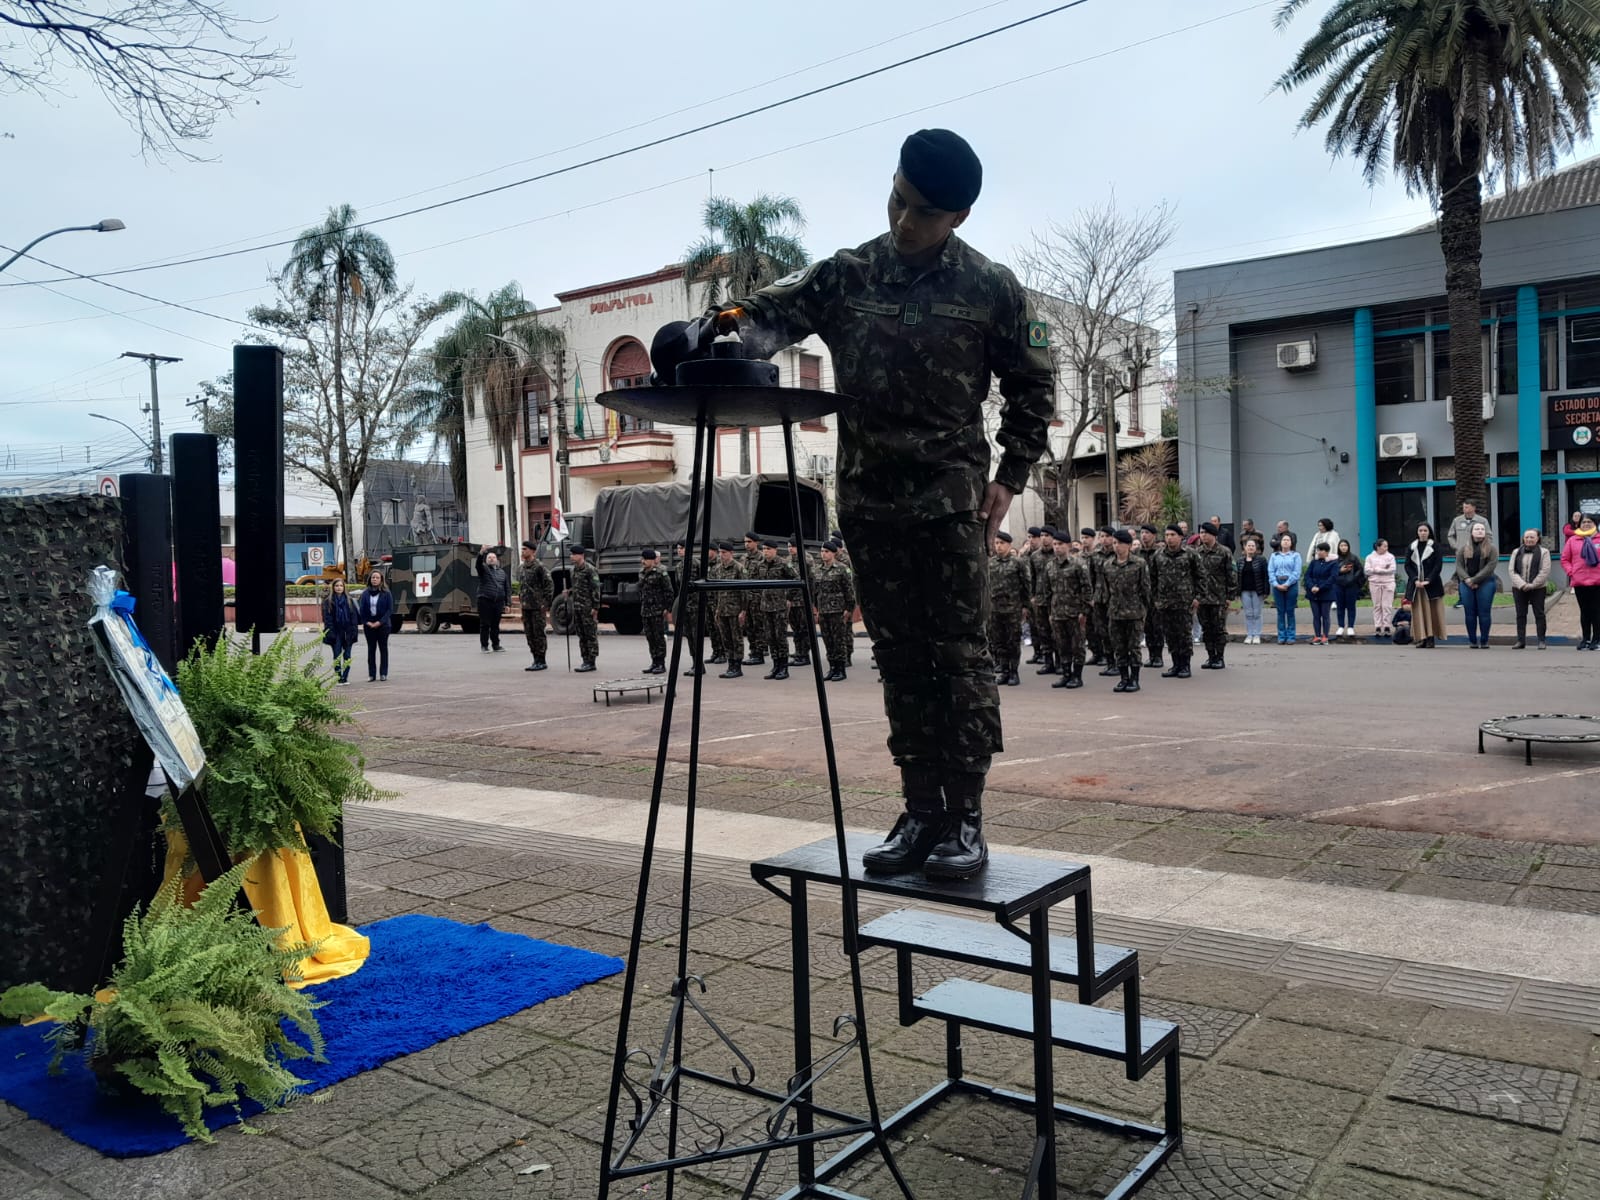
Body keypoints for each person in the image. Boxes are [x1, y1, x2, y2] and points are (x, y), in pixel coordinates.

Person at [673, 128, 1053, 881]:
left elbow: (1034, 384)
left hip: (951, 504)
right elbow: (766, 313)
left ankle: (964, 819)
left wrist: (1011, 473)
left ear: (957, 219)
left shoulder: (991, 288)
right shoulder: (850, 274)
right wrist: (720, 331)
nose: (902, 219)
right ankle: (919, 811)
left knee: (958, 658)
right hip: (871, 503)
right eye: (898, 199)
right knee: (901, 661)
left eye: (921, 213)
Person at [1102, 530, 1151, 692]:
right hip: (1115, 612)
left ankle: (1134, 679)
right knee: (1119, 647)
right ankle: (1123, 678)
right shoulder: (1108, 565)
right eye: (1114, 543)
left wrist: (1144, 610)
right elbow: (1106, 590)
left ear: (1129, 545)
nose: (1117, 547)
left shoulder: (1139, 563)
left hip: (1134, 612)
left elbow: (1145, 589)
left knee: (1133, 647)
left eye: (1120, 543)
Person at [1151, 525, 1199, 678]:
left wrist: (1197, 597)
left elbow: (1200, 576)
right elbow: (1152, 579)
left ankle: (1185, 665)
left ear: (1180, 537)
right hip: (1165, 602)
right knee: (1170, 635)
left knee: (1184, 634)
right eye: (1166, 535)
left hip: (1184, 602)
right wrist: (1155, 599)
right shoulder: (1158, 555)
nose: (1169, 538)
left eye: (1172, 534)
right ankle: (1175, 664)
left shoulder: (1190, 554)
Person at [1049, 535, 1093, 689]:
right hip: (1057, 612)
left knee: (1077, 646)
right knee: (1062, 645)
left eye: (1060, 544)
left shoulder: (1078, 564)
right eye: (1054, 544)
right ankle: (1066, 674)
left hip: (1075, 613)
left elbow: (1087, 589)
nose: (1056, 547)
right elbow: (1048, 591)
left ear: (1068, 545)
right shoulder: (1050, 566)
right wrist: (1050, 611)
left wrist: (1085, 611)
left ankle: (1077, 676)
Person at [1193, 522, 1237, 669]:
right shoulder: (1197, 553)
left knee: (1218, 629)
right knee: (1206, 629)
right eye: (1201, 532)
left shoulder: (1224, 552)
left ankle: (1220, 657)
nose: (1203, 535)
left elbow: (1231, 574)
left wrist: (1230, 596)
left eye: (1206, 532)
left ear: (1213, 535)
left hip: (1219, 597)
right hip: (1202, 598)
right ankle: (1211, 656)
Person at [987, 530, 1028, 686]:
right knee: (998, 642)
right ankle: (1003, 671)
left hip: (1012, 609)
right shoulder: (991, 563)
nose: (998, 546)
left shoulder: (1018, 563)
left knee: (1012, 642)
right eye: (996, 543)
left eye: (1001, 543)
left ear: (1009, 544)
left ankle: (1013, 672)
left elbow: (1026, 585)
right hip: (995, 610)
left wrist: (1025, 606)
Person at [813, 540, 857, 681]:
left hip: (838, 610)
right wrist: (817, 609)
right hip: (823, 611)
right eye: (822, 551)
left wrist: (849, 609)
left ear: (833, 553)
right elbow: (815, 592)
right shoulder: (818, 570)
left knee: (839, 641)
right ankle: (832, 667)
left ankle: (841, 669)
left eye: (827, 552)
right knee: (828, 640)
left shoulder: (842, 568)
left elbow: (849, 590)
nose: (823, 554)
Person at [754, 541, 798, 680]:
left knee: (780, 637)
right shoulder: (760, 565)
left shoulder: (784, 564)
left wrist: (788, 597)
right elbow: (755, 583)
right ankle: (775, 665)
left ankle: (783, 667)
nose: (766, 551)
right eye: (764, 549)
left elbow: (796, 580)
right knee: (770, 637)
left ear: (775, 550)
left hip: (779, 606)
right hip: (766, 607)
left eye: (769, 549)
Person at [1455, 521, 1499, 649]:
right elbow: (1459, 566)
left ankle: (1484, 640)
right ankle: (1472, 640)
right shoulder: (1463, 549)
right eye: (1477, 529)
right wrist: (1467, 579)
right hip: (1466, 583)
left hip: (1486, 582)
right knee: (1470, 613)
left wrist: (1474, 580)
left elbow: (1490, 567)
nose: (1480, 531)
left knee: (1484, 612)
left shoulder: (1492, 549)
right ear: (1471, 532)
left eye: (1482, 529)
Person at [1509, 529, 1551, 650]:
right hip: (1518, 588)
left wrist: (1532, 585)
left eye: (1532, 537)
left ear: (1538, 538)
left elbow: (1545, 571)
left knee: (1539, 614)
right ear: (1523, 538)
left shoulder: (1544, 552)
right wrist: (1522, 584)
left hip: (1538, 588)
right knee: (1520, 614)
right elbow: (1512, 571)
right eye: (1527, 537)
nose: (1529, 539)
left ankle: (1541, 640)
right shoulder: (1516, 552)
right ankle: (1520, 640)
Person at [1561, 517, 1600, 650]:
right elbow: (1565, 559)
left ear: (1595, 524)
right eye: (1584, 522)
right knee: (1585, 612)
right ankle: (1586, 639)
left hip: (1597, 582)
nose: (1586, 524)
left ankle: (1597, 640)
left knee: (1597, 611)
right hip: (1579, 581)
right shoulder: (1573, 540)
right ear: (1580, 524)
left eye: (1590, 522)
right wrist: (1571, 572)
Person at [1405, 523, 1445, 648]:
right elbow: (1407, 566)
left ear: (1429, 532)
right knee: (1418, 611)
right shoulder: (1412, 547)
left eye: (1425, 530)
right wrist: (1415, 579)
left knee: (1432, 611)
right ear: (1417, 532)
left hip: (1431, 585)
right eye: (1420, 530)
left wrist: (1428, 580)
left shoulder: (1435, 546)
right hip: (1416, 585)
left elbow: (1438, 565)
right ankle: (1421, 637)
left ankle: (1431, 637)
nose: (1423, 532)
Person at [712, 543, 748, 678]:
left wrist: (743, 610)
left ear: (731, 553)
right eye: (720, 552)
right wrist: (717, 610)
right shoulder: (718, 569)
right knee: (726, 639)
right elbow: (717, 592)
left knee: (736, 638)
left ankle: (737, 666)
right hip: (722, 610)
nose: (722, 555)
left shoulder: (739, 568)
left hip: (735, 610)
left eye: (724, 552)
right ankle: (730, 664)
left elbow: (745, 591)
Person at [517, 540, 554, 672]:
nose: (523, 551)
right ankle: (535, 658)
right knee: (529, 634)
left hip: (538, 607)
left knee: (539, 634)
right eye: (522, 549)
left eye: (525, 549)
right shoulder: (521, 568)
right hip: (526, 607)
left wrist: (546, 603)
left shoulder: (539, 567)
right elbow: (521, 587)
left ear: (533, 551)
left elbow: (549, 585)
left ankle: (541, 660)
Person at [637, 548, 675, 674]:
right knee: (650, 637)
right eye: (642, 559)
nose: (643, 562)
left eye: (645, 559)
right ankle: (654, 662)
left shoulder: (661, 572)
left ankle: (661, 663)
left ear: (652, 560)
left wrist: (667, 609)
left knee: (659, 637)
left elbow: (669, 591)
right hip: (645, 611)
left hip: (658, 611)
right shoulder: (641, 572)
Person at [1135, 526, 1165, 667]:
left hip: (1156, 594)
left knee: (1157, 626)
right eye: (1142, 533)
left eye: (1147, 533)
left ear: (1154, 535)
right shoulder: (1136, 553)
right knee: (1146, 626)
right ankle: (1151, 655)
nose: (1144, 536)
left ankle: (1158, 656)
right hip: (1141, 595)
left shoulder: (1160, 553)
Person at [569, 545, 602, 672]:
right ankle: (585, 659)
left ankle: (591, 661)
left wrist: (595, 607)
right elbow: (576, 587)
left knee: (590, 634)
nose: (571, 557)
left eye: (574, 554)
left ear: (581, 555)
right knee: (581, 634)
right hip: (577, 607)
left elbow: (596, 588)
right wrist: (569, 592)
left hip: (587, 608)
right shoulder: (574, 570)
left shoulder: (590, 569)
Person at [1030, 527, 1058, 675]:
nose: (1044, 538)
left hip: (1056, 599)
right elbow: (1032, 577)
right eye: (1042, 535)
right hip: (1040, 599)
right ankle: (1048, 662)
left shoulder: (1057, 554)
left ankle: (1060, 662)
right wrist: (1033, 595)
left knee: (1057, 633)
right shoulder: (1035, 556)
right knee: (1043, 632)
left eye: (1047, 535)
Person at [322, 578, 360, 684]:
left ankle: (345, 677)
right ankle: (339, 677)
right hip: (335, 632)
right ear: (333, 587)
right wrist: (331, 633)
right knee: (337, 656)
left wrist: (353, 632)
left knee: (347, 655)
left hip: (348, 631)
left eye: (341, 586)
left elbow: (354, 619)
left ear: (344, 587)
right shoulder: (328, 602)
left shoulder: (350, 601)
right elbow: (327, 619)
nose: (339, 588)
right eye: (337, 586)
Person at [358, 569, 392, 682]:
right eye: (373, 578)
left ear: (381, 580)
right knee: (371, 649)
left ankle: (383, 673)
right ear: (370, 579)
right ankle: (371, 674)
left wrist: (380, 622)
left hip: (383, 625)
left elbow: (389, 610)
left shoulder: (386, 593)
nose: (375, 579)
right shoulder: (365, 593)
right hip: (369, 625)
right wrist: (367, 622)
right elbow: (361, 610)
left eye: (377, 578)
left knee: (383, 649)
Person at [1268, 534, 1303, 644]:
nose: (1286, 542)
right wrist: (1276, 584)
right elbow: (1271, 571)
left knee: (1290, 611)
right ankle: (1281, 636)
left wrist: (1287, 584)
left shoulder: (1295, 555)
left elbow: (1296, 572)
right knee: (1280, 611)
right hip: (1277, 583)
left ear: (1291, 543)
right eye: (1284, 540)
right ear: (1280, 542)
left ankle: (1291, 636)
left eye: (1288, 540)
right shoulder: (1274, 556)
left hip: (1291, 584)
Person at [474, 547, 510, 653]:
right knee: (485, 624)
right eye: (489, 557)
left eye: (493, 557)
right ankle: (484, 646)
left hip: (498, 602)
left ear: (497, 560)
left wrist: (508, 604)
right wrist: (481, 553)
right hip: (485, 600)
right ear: (486, 560)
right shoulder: (483, 569)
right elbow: (478, 565)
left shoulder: (502, 573)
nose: (491, 559)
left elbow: (507, 588)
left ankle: (496, 645)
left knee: (495, 625)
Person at [740, 531, 768, 665]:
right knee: (749, 627)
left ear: (756, 543)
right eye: (745, 542)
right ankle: (753, 651)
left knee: (759, 627)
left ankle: (760, 653)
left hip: (757, 598)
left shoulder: (762, 558)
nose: (746, 544)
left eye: (749, 542)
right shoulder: (743, 558)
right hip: (746, 598)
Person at [786, 540, 812, 668]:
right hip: (791, 602)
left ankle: (804, 655)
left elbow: (811, 580)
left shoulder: (806, 560)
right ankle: (798, 653)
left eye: (792, 546)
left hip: (802, 600)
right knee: (795, 629)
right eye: (789, 547)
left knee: (803, 629)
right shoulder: (787, 560)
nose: (790, 549)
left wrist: (811, 600)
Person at [1304, 543, 1337, 645]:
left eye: (1321, 550)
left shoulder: (1333, 563)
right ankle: (1317, 636)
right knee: (1316, 615)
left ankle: (1325, 636)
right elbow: (1307, 576)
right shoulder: (1314, 562)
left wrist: (1320, 588)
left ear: (1326, 552)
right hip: (1313, 593)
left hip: (1326, 593)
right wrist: (1312, 586)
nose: (1318, 552)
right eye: (1318, 550)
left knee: (1325, 615)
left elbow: (1332, 578)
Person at [1332, 539, 1365, 641]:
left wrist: (1354, 578)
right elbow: (1332, 572)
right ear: (1338, 547)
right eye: (1341, 546)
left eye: (1345, 545)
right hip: (1339, 585)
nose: (1343, 547)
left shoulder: (1353, 558)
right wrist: (1340, 571)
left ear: (1348, 547)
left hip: (1351, 585)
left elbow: (1360, 570)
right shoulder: (1335, 559)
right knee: (1340, 606)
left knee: (1351, 606)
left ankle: (1351, 626)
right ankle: (1341, 626)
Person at [1237, 537, 1268, 645]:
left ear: (1256, 548)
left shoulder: (1261, 560)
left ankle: (1257, 635)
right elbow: (1237, 577)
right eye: (1248, 545)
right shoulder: (1240, 561)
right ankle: (1249, 634)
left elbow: (1265, 576)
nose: (1250, 547)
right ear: (1245, 548)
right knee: (1248, 614)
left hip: (1257, 591)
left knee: (1257, 614)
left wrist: (1266, 591)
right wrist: (1237, 592)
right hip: (1244, 591)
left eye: (1252, 546)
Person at [1364, 539, 1398, 637]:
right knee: (1377, 605)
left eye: (1387, 546)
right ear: (1378, 547)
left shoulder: (1390, 556)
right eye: (1384, 546)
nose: (1386, 548)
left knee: (1387, 605)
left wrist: (1377, 570)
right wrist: (1381, 569)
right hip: (1374, 583)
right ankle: (1378, 626)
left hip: (1388, 583)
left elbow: (1392, 569)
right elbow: (1367, 570)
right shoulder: (1370, 557)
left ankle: (1387, 626)